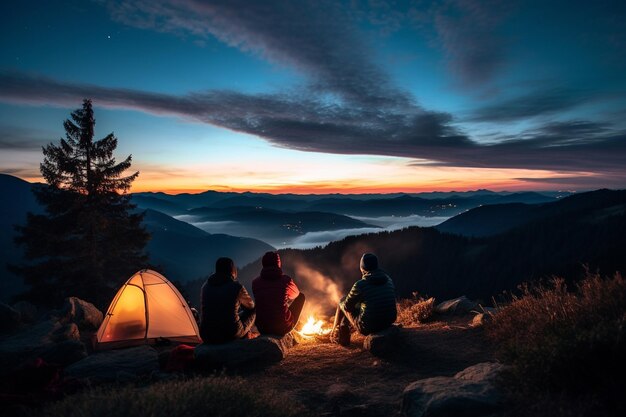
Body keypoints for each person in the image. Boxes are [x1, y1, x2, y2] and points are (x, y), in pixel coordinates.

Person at [330, 253, 397, 346]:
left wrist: (355, 304)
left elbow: (347, 307)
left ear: (362, 268)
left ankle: (336, 335)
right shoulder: (388, 279)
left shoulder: (360, 285)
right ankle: (340, 334)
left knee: (342, 301)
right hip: (389, 320)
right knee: (358, 303)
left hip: (368, 326)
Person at [200, 257, 256, 344]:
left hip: (206, 335)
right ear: (232, 270)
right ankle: (246, 338)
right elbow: (250, 306)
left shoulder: (205, 286)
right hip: (229, 333)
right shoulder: (236, 287)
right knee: (253, 311)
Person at [252, 251, 305, 336]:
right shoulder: (286, 280)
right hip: (282, 328)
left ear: (263, 264)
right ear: (278, 263)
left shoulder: (255, 282)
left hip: (262, 328)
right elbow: (296, 295)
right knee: (301, 297)